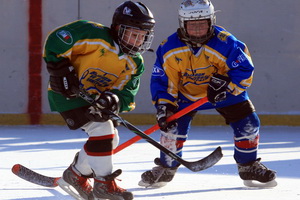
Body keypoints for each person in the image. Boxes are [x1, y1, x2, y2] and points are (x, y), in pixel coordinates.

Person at [138, 0, 276, 188]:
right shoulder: (168, 48)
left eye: (202, 25)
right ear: (182, 23)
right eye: (192, 26)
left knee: (249, 123)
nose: (197, 30)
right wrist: (165, 105)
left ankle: (248, 165)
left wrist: (227, 87)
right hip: (185, 96)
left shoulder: (227, 43)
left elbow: (244, 70)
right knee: (171, 128)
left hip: (223, 93)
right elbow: (163, 81)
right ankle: (167, 167)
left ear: (211, 21)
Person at [43, 1, 155, 199]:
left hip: (93, 100)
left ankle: (76, 174)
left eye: (142, 36)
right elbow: (56, 40)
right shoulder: (92, 34)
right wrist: (59, 69)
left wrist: (113, 100)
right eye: (133, 34)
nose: (138, 41)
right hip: (67, 94)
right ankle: (104, 184)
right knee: (103, 130)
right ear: (119, 28)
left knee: (111, 139)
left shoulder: (135, 63)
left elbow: (127, 93)